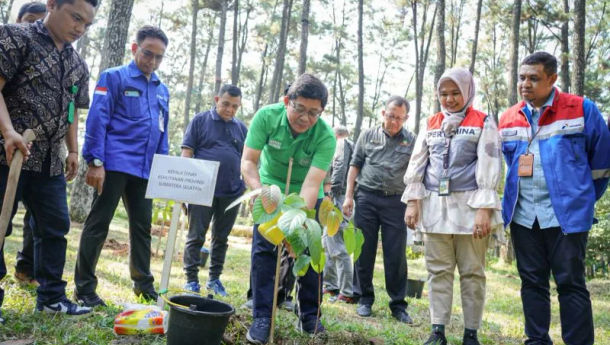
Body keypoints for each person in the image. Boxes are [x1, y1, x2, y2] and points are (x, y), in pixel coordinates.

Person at [499, 51, 610, 345]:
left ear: (552, 79)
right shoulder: (509, 118)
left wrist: (582, 200)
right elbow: (507, 166)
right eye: (522, 77)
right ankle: (537, 341)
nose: (525, 84)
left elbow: (602, 164)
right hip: (523, 216)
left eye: (534, 78)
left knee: (570, 284)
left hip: (567, 217)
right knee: (532, 283)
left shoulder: (581, 109)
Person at [0, 0, 98, 323]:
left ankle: (52, 297)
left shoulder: (77, 64)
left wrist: (72, 149)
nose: (80, 29)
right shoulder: (16, 38)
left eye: (87, 24)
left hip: (49, 163)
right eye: (76, 18)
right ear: (52, 4)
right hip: (9, 153)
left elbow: (71, 108)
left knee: (55, 226)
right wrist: (8, 131)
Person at [403, 68, 503, 345]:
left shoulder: (483, 121)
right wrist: (413, 202)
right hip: (435, 206)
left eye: (455, 92)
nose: (449, 99)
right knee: (438, 270)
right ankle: (438, 331)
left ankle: (471, 333)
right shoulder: (431, 122)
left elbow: (489, 162)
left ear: (467, 91)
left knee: (472, 271)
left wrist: (484, 209)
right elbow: (418, 162)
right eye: (444, 93)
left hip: (470, 207)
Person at [74, 25, 170, 307]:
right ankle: (85, 288)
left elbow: (162, 134)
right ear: (134, 49)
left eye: (158, 57)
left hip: (145, 171)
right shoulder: (113, 78)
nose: (151, 61)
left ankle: (143, 285)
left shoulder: (162, 90)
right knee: (98, 224)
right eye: (147, 53)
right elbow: (97, 120)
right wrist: (95, 162)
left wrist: (161, 172)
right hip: (113, 165)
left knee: (142, 228)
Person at [241, 74, 336, 344]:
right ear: (287, 101)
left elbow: (311, 184)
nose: (306, 118)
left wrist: (296, 225)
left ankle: (309, 315)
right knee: (264, 250)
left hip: (306, 196)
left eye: (314, 113)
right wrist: (259, 191)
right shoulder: (266, 117)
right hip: (270, 190)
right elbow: (248, 161)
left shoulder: (326, 137)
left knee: (309, 250)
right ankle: (262, 316)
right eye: (300, 109)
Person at [342, 96, 415, 323]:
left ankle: (398, 305)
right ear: (383, 113)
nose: (393, 122)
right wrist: (348, 197)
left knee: (396, 254)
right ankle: (364, 299)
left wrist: (414, 203)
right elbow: (354, 166)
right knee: (364, 250)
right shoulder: (368, 135)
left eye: (399, 118)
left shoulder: (411, 140)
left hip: (396, 202)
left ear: (406, 118)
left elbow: (416, 174)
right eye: (390, 116)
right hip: (367, 198)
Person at [181, 84, 247, 296]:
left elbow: (248, 159)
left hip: (232, 192)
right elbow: (187, 153)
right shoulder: (200, 120)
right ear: (217, 99)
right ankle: (191, 279)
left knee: (221, 238)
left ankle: (214, 279)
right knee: (196, 235)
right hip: (202, 189)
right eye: (226, 104)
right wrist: (186, 187)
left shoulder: (241, 128)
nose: (229, 109)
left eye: (235, 106)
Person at [12, 1, 47, 287]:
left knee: (34, 219)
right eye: (30, 20)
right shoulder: (8, 47)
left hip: (35, 153)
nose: (34, 26)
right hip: (5, 147)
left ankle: (26, 268)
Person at [322, 125, 355, 303]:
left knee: (337, 245)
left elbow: (341, 166)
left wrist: (333, 191)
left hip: (338, 196)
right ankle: (331, 285)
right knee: (327, 242)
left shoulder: (342, 143)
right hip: (337, 196)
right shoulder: (347, 143)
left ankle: (347, 291)